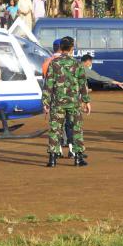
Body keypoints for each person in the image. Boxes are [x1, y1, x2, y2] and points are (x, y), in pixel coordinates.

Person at [42, 36, 90, 168]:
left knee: (55, 130)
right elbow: (82, 84)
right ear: (71, 48)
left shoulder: (54, 63)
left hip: (57, 102)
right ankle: (78, 158)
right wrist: (86, 101)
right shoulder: (77, 64)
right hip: (73, 102)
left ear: (60, 48)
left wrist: (45, 102)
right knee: (76, 129)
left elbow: (48, 84)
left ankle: (52, 159)